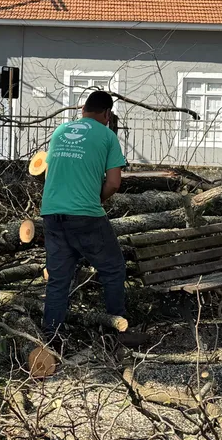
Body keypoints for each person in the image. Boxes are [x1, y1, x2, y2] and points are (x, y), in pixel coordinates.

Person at [37, 90, 147, 356]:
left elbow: (51, 172)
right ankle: (116, 333)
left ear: (83, 109)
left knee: (58, 279)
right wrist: (96, 199)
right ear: (107, 114)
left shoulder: (61, 131)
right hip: (85, 215)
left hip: (51, 213)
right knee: (113, 268)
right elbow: (114, 183)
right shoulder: (108, 136)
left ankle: (51, 340)